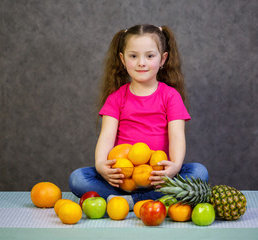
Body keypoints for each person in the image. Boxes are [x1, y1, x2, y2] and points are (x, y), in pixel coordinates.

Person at [69, 24, 208, 209]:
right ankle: (145, 199)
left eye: (149, 56)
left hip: (159, 177)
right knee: (78, 178)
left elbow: (177, 137)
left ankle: (128, 202)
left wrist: (174, 167)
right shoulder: (116, 98)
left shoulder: (170, 96)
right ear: (123, 59)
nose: (141, 63)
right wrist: (102, 165)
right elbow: (106, 136)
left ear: (163, 59)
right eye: (133, 56)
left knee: (199, 172)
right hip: (122, 178)